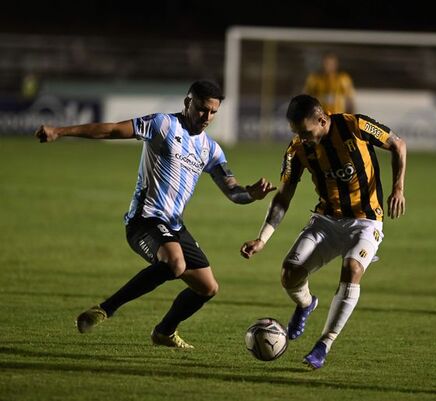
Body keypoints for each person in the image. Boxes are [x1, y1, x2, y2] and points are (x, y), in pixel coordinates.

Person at [35, 80, 276, 348]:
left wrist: (252, 194)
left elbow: (233, 192)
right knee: (176, 264)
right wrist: (60, 131)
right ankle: (105, 309)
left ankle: (164, 332)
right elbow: (113, 129)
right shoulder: (162, 125)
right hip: (144, 220)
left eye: (213, 112)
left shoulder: (211, 149)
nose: (207, 117)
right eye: (201, 109)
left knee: (208, 288)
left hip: (174, 226)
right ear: (188, 102)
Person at [240, 94, 407, 369]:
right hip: (326, 221)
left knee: (352, 269)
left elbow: (398, 145)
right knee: (289, 275)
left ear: (322, 119)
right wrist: (263, 238)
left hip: (366, 221)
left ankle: (324, 343)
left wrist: (398, 188)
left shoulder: (354, 126)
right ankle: (306, 304)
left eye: (306, 132)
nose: (302, 138)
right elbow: (284, 196)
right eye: (297, 133)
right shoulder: (297, 150)